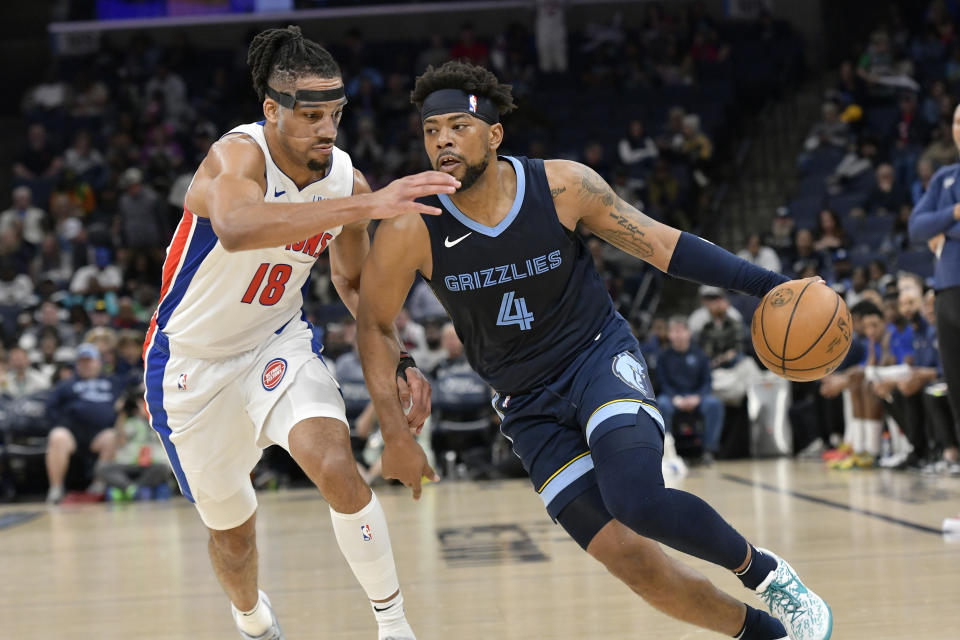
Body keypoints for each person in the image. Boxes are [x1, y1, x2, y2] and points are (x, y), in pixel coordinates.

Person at [357, 61, 832, 640]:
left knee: (636, 498)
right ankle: (768, 636)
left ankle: (770, 576)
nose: (443, 141)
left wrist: (764, 286)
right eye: (432, 131)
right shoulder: (412, 226)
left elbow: (660, 244)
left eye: (458, 126)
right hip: (525, 402)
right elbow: (373, 323)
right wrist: (396, 433)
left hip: (595, 359)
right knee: (632, 562)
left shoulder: (561, 186)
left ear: (495, 133)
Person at [141, 26, 458, 640]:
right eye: (311, 115)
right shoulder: (235, 157)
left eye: (334, 114)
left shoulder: (347, 181)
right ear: (272, 109)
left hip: (275, 344)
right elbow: (235, 226)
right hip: (189, 364)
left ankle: (394, 627)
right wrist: (364, 208)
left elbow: (357, 289)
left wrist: (400, 362)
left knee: (335, 462)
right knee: (233, 537)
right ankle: (253, 620)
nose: (326, 129)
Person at [909, 102, 960, 481]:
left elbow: (931, 227)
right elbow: (916, 227)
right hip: (945, 293)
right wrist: (955, 215)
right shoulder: (945, 176)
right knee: (956, 387)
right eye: (957, 120)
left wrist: (943, 232)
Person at [44, 343, 120, 504]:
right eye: (82, 362)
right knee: (57, 436)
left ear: (99, 362)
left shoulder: (113, 383)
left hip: (99, 434)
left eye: (90, 361)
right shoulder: (66, 385)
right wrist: (62, 423)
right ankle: (56, 489)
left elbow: (123, 405)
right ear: (77, 364)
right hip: (72, 433)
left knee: (112, 436)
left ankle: (99, 485)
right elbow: (50, 409)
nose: (86, 365)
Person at [657, 316, 724, 464]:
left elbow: (707, 381)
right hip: (672, 397)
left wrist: (698, 397)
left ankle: (709, 450)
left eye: (681, 331)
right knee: (661, 405)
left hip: (696, 396)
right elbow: (662, 382)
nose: (678, 335)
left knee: (714, 404)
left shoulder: (700, 355)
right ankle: (666, 451)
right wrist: (676, 398)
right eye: (674, 331)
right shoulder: (663, 357)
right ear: (669, 335)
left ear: (688, 333)